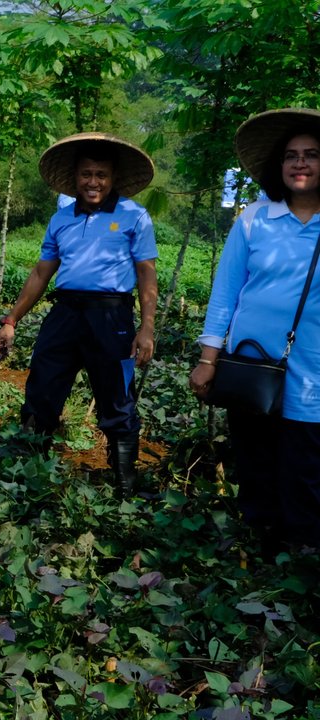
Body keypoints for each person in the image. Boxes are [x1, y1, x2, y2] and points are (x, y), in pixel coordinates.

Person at [0, 133, 158, 490]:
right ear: (76, 177)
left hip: (112, 316)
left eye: (101, 174)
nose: (93, 182)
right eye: (86, 174)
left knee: (116, 395)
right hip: (65, 313)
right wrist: (11, 320)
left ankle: (125, 481)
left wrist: (147, 328)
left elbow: (146, 273)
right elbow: (41, 272)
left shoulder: (134, 216)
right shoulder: (61, 219)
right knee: (42, 388)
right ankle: (31, 473)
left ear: (112, 178)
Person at [191, 108, 320, 549]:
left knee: (304, 467)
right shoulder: (254, 220)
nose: (300, 163)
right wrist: (209, 360)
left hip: (312, 372)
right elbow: (226, 294)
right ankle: (261, 549)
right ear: (278, 166)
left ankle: (300, 557)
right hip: (250, 365)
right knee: (256, 462)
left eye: (312, 155)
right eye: (291, 156)